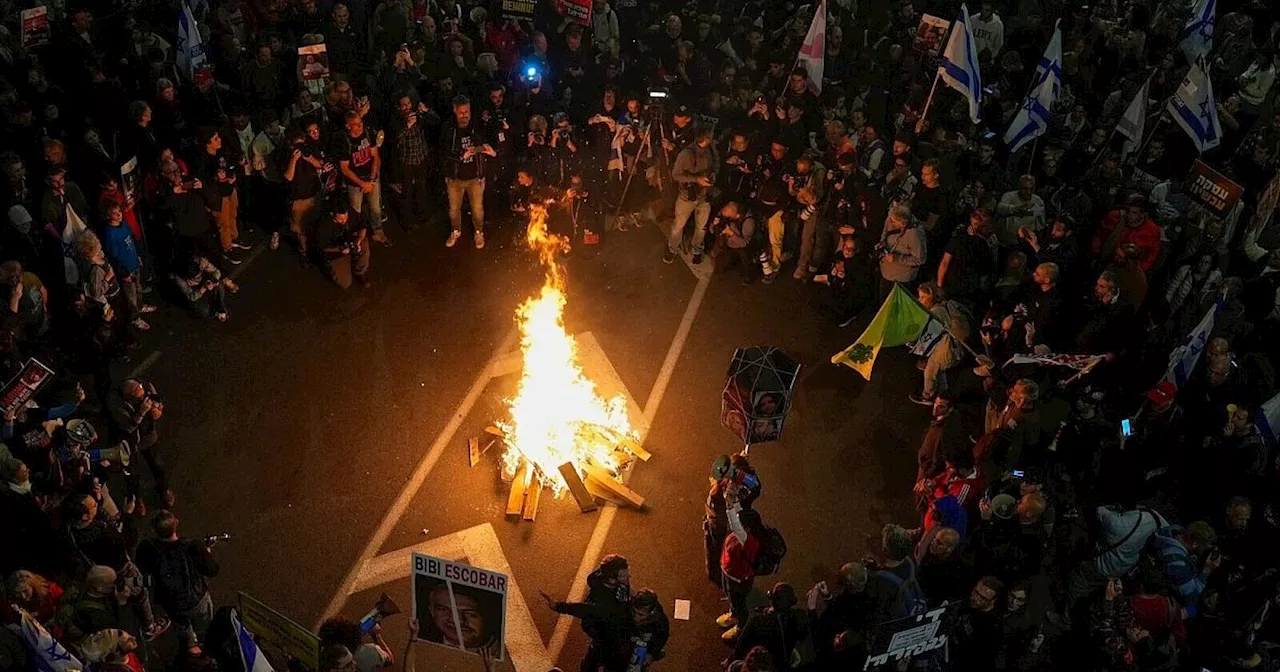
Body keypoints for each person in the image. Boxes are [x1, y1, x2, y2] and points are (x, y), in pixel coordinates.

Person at [135, 510, 219, 655]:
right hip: (196, 599)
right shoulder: (192, 546)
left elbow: (143, 570)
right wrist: (206, 553)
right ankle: (207, 649)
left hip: (171, 603)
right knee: (205, 627)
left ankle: (189, 648)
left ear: (154, 531)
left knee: (182, 627)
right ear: (176, 524)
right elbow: (212, 570)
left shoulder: (147, 549)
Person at [540, 554, 631, 671]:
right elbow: (582, 609)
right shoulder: (605, 603)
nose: (627, 577)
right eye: (623, 576)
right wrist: (557, 606)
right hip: (607, 635)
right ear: (611, 580)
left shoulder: (603, 578)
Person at [106, 378, 173, 508]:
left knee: (157, 465)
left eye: (143, 395)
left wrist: (156, 411)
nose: (143, 399)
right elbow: (128, 428)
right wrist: (141, 412)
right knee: (132, 473)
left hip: (148, 437)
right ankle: (137, 498)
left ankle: (164, 489)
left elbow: (159, 407)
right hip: (130, 443)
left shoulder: (147, 388)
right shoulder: (117, 405)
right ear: (129, 398)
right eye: (139, 398)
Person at [440, 95, 495, 249]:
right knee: (453, 208)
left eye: (467, 112)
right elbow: (443, 151)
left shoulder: (477, 125)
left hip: (474, 177)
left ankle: (479, 232)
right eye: (461, 112)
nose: (464, 115)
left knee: (477, 208)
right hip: (455, 177)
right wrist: (459, 155)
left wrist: (484, 149)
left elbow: (486, 143)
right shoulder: (449, 128)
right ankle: (455, 230)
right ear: (455, 111)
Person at [334, 111, 391, 247]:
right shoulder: (344, 142)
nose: (360, 127)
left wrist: (371, 179)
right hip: (355, 183)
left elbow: (375, 156)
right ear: (348, 126)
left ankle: (378, 233)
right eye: (355, 125)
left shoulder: (367, 134)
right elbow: (344, 168)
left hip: (371, 178)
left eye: (360, 123)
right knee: (355, 211)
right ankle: (357, 238)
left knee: (375, 207)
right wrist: (362, 183)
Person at [663, 126, 717, 265]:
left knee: (701, 227)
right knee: (678, 225)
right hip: (687, 196)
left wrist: (713, 175)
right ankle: (672, 248)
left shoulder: (711, 149)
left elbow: (716, 163)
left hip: (705, 196)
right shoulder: (686, 154)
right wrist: (696, 179)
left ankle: (697, 250)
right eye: (710, 136)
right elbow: (676, 175)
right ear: (705, 139)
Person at [730, 582, 810, 670]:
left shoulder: (757, 620)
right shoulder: (798, 617)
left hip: (762, 662)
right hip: (782, 662)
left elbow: (742, 643)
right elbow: (803, 635)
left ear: (771, 599)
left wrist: (731, 659)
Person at [315, 201, 372, 289]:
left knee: (364, 242)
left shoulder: (350, 211)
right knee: (345, 283)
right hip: (335, 250)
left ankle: (360, 271)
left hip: (349, 242)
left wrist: (359, 239)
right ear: (332, 214)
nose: (344, 221)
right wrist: (339, 249)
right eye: (340, 219)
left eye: (346, 218)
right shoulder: (324, 226)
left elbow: (362, 225)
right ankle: (330, 267)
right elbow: (322, 247)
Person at [877, 203, 927, 297]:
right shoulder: (891, 218)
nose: (890, 223)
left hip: (901, 279)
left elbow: (920, 259)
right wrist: (882, 242)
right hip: (886, 273)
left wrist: (898, 258)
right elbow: (885, 232)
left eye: (894, 222)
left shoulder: (915, 234)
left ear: (903, 224)